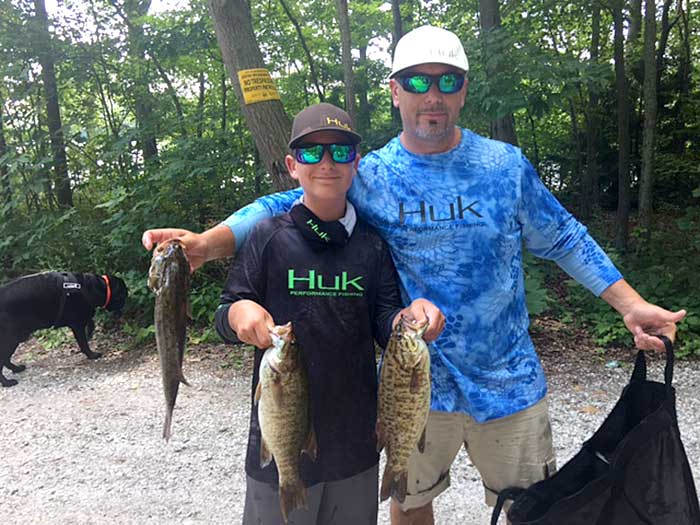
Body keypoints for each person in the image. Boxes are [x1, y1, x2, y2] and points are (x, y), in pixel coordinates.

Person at [143, 25, 685, 524]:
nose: (433, 95)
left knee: (533, 510)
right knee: (408, 503)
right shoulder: (372, 174)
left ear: (464, 90)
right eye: (417, 82)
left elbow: (565, 236)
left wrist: (630, 305)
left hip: (509, 384)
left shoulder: (503, 167)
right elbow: (284, 203)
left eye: (447, 81)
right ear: (395, 91)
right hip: (414, 385)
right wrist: (206, 244)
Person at [214, 102, 444, 524]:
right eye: (311, 153)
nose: (326, 162)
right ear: (291, 165)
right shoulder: (268, 238)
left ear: (355, 163)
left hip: (355, 442)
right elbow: (225, 311)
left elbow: (384, 320)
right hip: (282, 436)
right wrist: (237, 315)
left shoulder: (371, 245)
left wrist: (410, 320)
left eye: (340, 152)